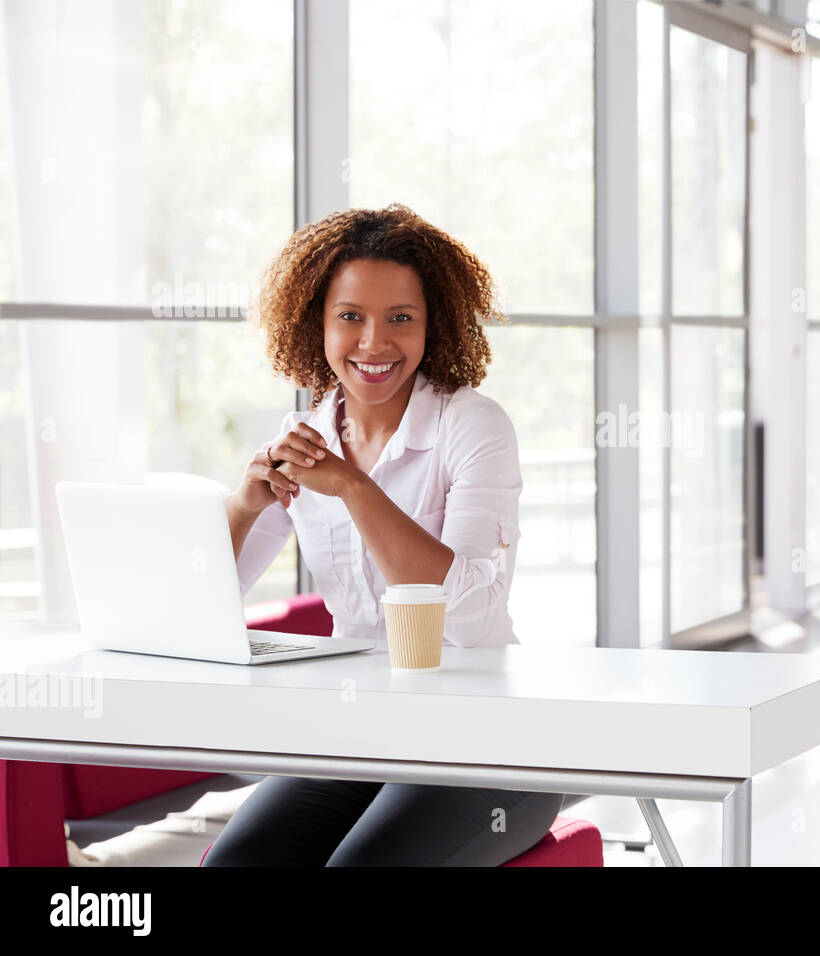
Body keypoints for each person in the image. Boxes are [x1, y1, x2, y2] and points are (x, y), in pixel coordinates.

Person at [204, 204, 563, 866]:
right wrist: (245, 505)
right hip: (361, 733)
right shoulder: (304, 440)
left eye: (401, 318)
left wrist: (354, 488)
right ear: (317, 323)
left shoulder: (473, 426)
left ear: (434, 326)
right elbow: (201, 606)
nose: (374, 342)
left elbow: (472, 616)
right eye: (351, 317)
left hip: (494, 745)